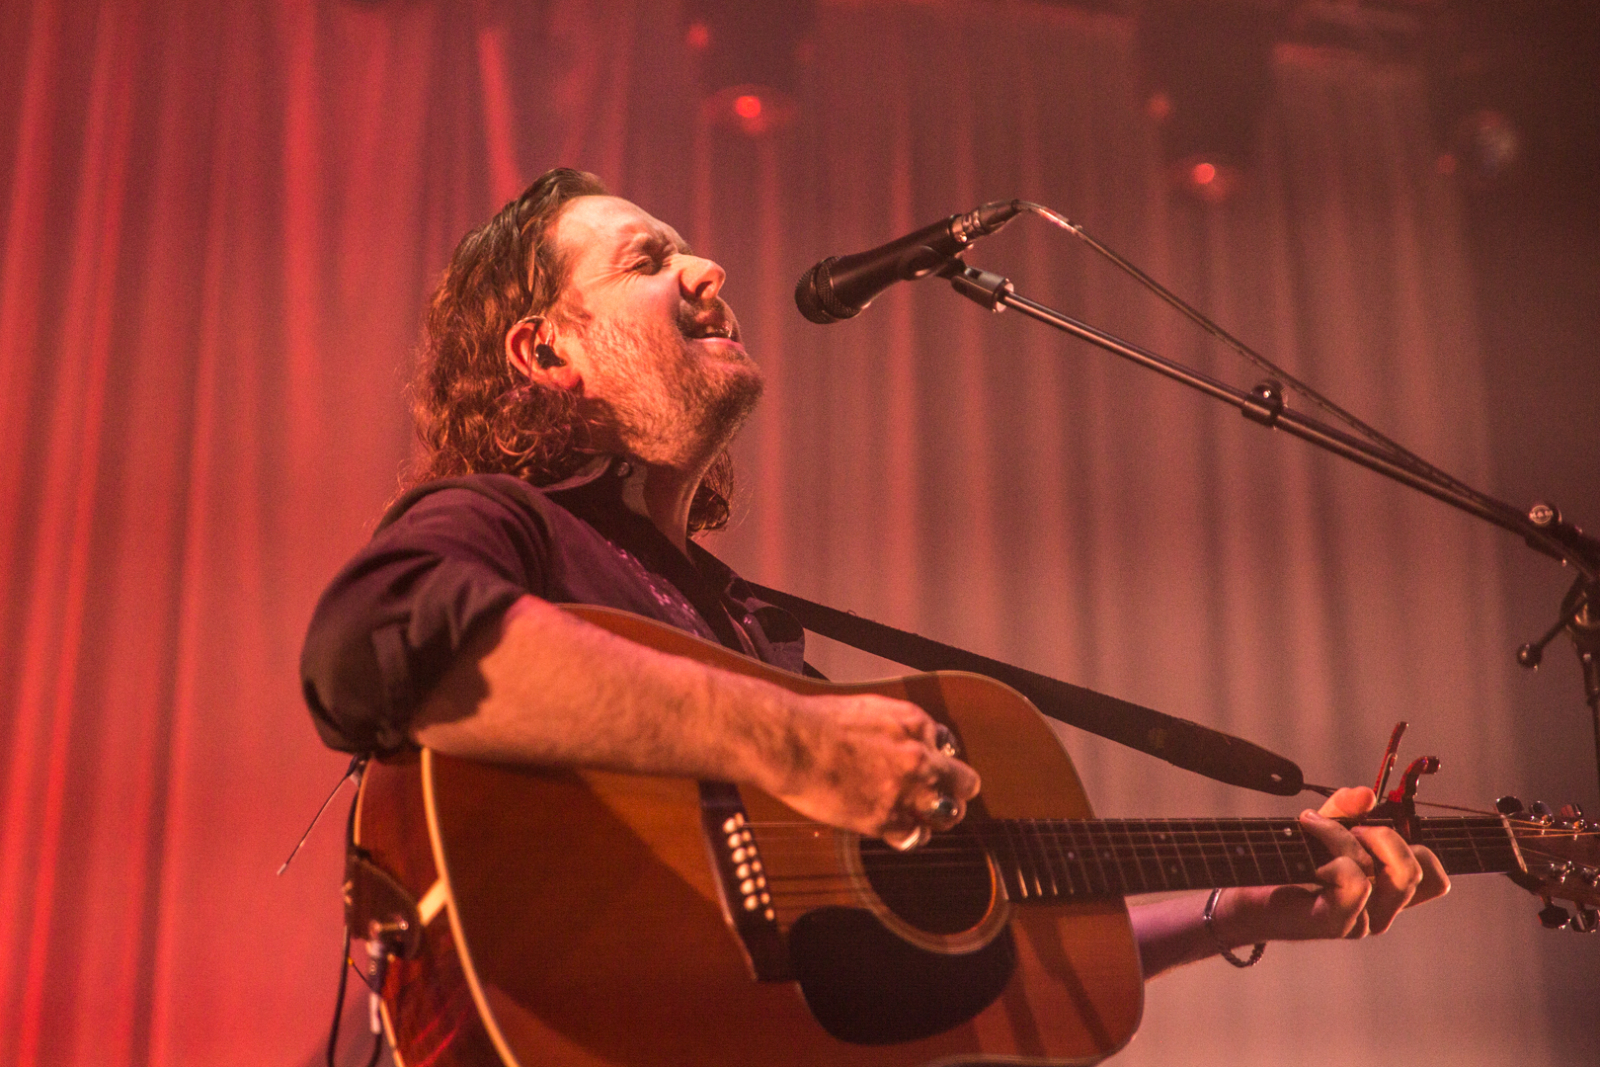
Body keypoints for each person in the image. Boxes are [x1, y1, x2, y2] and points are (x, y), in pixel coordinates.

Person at [300, 168, 1448, 995]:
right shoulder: (515, 525)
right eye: (647, 260)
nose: (708, 268)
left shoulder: (746, 627)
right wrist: (785, 739)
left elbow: (945, 958)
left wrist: (1233, 906)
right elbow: (371, 639)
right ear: (545, 350)